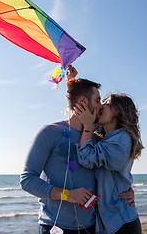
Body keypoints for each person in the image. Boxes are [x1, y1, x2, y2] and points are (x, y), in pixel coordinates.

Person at [20, 66, 134, 234]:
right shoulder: (49, 132)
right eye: (97, 100)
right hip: (55, 227)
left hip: (92, 227)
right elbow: (27, 179)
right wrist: (67, 194)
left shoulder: (95, 136)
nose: (101, 106)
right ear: (82, 102)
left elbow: (115, 168)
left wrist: (127, 191)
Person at [74, 93, 144, 234]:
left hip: (121, 224)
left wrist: (88, 125)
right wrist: (71, 82)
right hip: (109, 223)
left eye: (107, 103)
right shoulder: (104, 137)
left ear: (118, 110)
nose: (100, 106)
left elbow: (86, 157)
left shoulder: (121, 140)